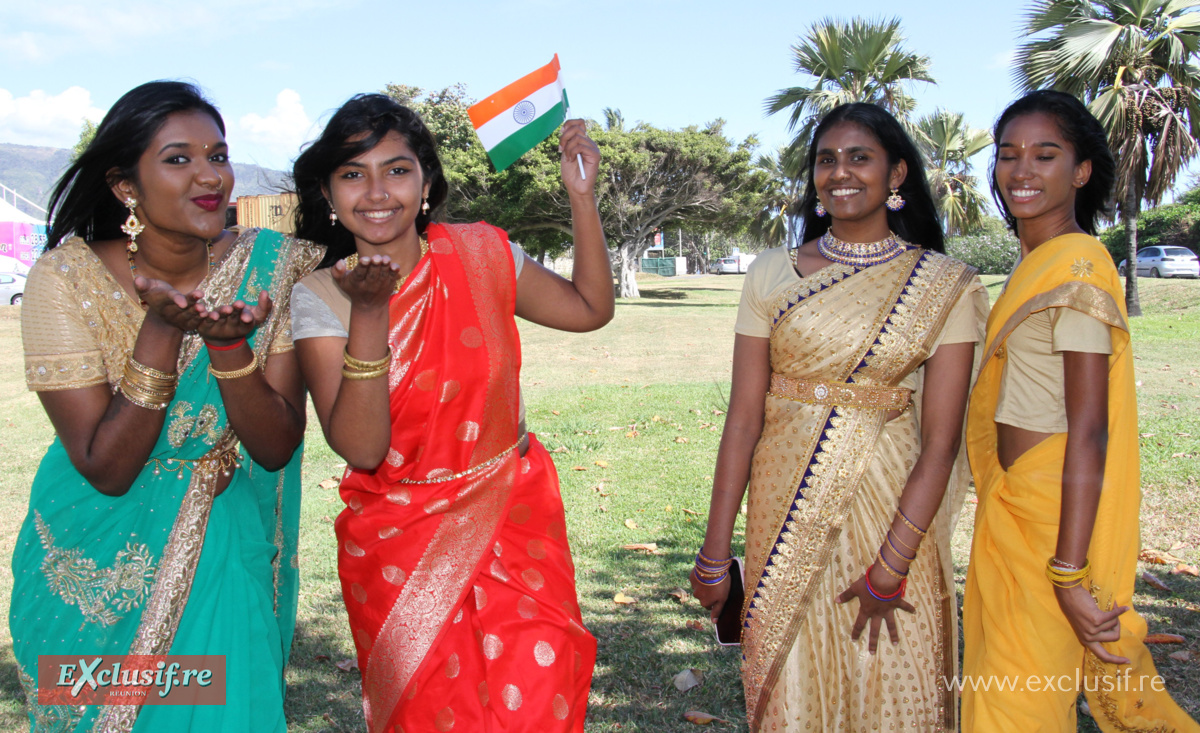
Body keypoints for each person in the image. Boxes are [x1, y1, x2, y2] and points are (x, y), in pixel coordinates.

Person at [289, 93, 612, 733]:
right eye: (353, 174)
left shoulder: (482, 254)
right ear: (328, 194)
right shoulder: (320, 296)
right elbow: (361, 448)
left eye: (397, 169)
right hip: (399, 550)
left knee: (537, 702)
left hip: (515, 519)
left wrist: (582, 197)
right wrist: (370, 313)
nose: (377, 191)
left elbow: (589, 309)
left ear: (427, 183)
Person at [9, 80, 322, 732]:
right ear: (126, 187)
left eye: (218, 154)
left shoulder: (269, 269)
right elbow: (107, 466)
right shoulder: (65, 280)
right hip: (93, 562)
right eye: (179, 159)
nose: (210, 176)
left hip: (220, 546)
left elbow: (273, 446)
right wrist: (162, 328)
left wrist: (231, 347)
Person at [691, 102, 988, 731]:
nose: (840, 172)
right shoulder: (773, 271)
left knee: (891, 678)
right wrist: (716, 553)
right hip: (783, 502)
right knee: (790, 678)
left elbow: (941, 441)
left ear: (897, 173)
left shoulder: (945, 285)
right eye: (826, 159)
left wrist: (894, 563)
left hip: (892, 508)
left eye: (860, 157)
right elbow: (743, 418)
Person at [962, 89, 1199, 731]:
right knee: (999, 695)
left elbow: (1090, 433)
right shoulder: (1035, 264)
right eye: (1008, 155)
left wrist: (1069, 572)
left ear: (1082, 170)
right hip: (1011, 509)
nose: (1021, 171)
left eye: (1045, 154)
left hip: (1054, 525)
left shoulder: (1079, 266)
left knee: (1016, 707)